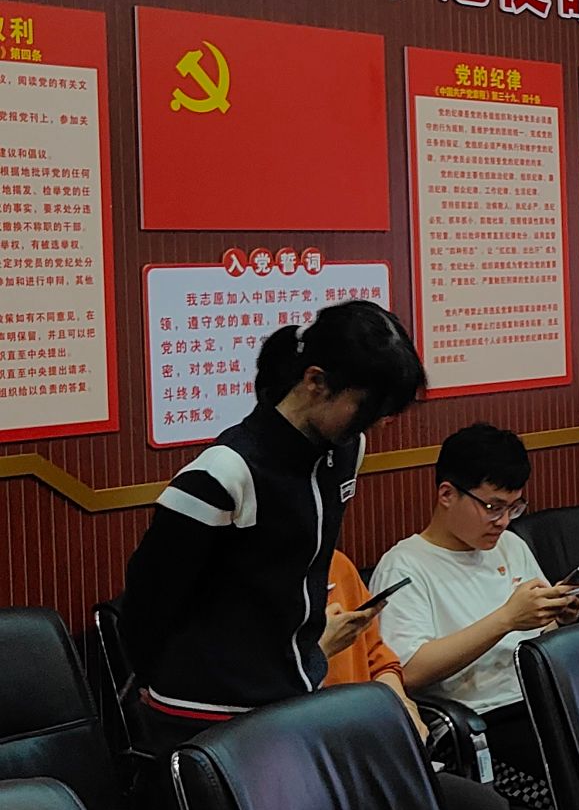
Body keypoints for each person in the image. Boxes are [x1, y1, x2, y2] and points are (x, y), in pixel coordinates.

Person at [123, 299, 426, 753]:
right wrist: (176, 678)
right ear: (315, 382)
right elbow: (148, 599)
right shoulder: (224, 473)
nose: (376, 426)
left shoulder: (346, 450)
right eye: (366, 409)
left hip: (292, 690)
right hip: (205, 710)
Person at [371, 425, 579, 810]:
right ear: (447, 494)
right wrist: (505, 620)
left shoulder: (511, 546)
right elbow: (407, 671)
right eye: (492, 507)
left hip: (541, 702)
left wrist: (555, 614)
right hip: (480, 723)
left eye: (514, 508)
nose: (503, 521)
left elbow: (542, 637)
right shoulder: (405, 566)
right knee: (576, 792)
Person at [323, 548, 513, 810]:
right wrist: (321, 650)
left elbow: (378, 659)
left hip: (370, 752)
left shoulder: (337, 565)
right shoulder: (247, 587)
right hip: (312, 765)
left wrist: (404, 706)